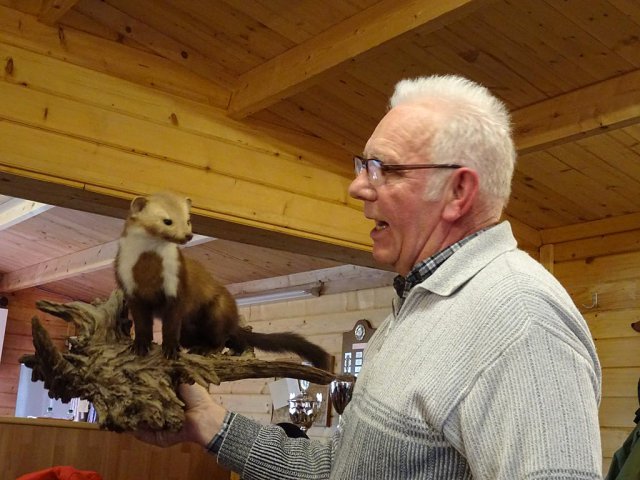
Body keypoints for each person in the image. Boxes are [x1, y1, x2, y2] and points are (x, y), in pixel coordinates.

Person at [135, 75, 603, 479]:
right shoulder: (417, 307)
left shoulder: (521, 321)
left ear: (458, 191)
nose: (357, 185)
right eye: (363, 165)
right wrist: (209, 422)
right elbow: (337, 469)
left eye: (384, 168)